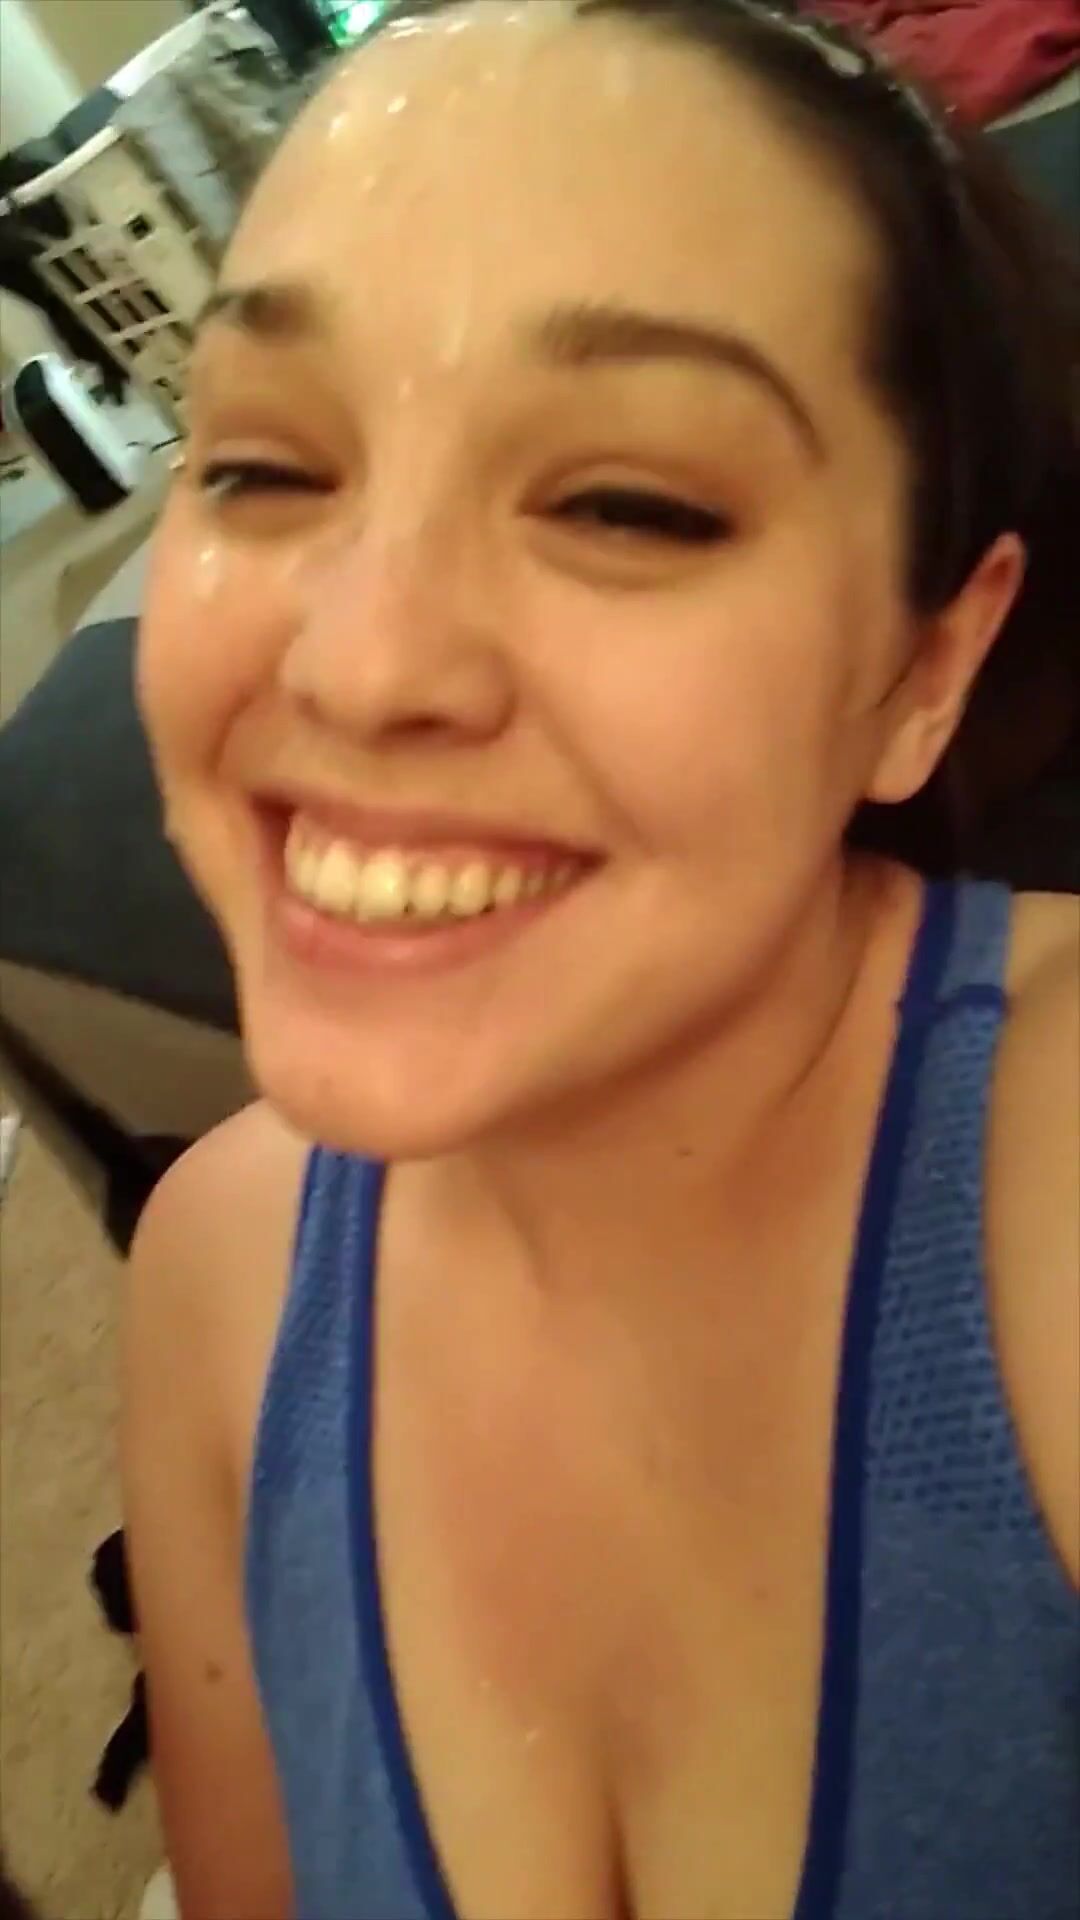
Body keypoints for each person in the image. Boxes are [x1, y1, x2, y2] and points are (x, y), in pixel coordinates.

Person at [119, 4, 1080, 1917]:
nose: (358, 665)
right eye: (265, 466)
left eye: (627, 503)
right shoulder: (216, 1283)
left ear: (928, 663)